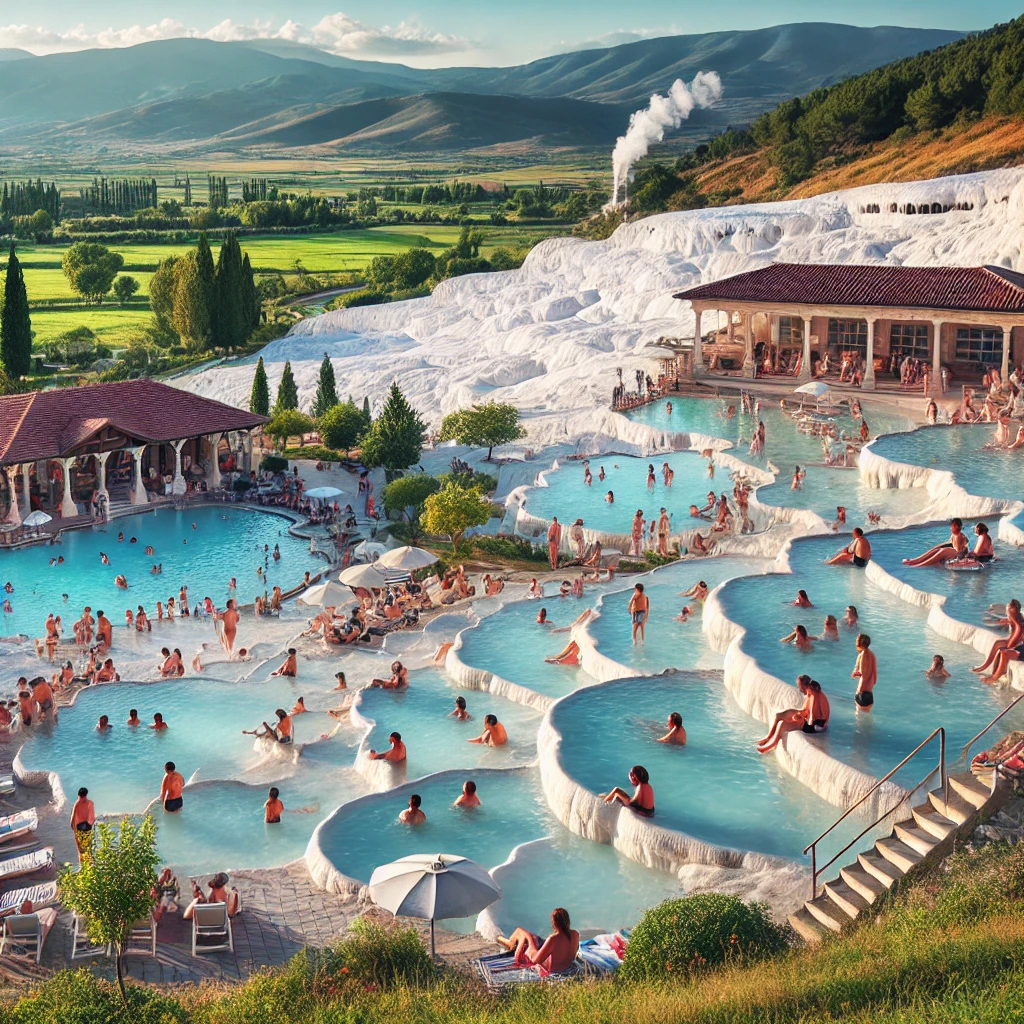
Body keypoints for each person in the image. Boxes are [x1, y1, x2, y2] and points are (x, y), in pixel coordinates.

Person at [756, 676, 829, 753]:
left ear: (803, 685)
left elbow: (812, 717)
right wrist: (797, 713)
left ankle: (771, 744)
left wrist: (799, 716)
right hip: (812, 720)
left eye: (799, 686)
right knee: (779, 715)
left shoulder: (814, 694)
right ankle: (768, 737)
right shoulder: (810, 691)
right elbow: (806, 710)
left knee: (783, 723)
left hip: (815, 725)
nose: (799, 689)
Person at [498, 907, 580, 974]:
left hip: (549, 967)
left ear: (554, 923)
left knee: (523, 933)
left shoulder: (553, 939)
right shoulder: (575, 934)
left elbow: (536, 960)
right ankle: (506, 941)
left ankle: (503, 940)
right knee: (530, 937)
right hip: (565, 967)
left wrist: (531, 946)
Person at [902, 518, 968, 567]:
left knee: (942, 551)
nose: (950, 528)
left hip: (960, 555)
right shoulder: (955, 535)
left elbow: (960, 550)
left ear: (956, 527)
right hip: (955, 552)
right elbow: (950, 543)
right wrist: (938, 547)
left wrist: (947, 552)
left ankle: (918, 565)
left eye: (952, 526)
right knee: (937, 549)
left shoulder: (960, 536)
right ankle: (914, 560)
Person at [852, 634, 878, 710]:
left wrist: (855, 673)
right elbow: (874, 676)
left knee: (860, 718)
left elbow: (864, 675)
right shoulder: (872, 655)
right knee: (868, 718)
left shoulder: (863, 655)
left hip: (862, 692)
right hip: (869, 693)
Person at [70, 786, 95, 864]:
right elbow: (91, 820)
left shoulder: (76, 804)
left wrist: (75, 832)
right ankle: (89, 865)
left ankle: (83, 866)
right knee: (88, 847)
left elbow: (72, 820)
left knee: (80, 849)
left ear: (78, 795)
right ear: (86, 795)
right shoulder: (90, 803)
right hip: (87, 828)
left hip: (79, 828)